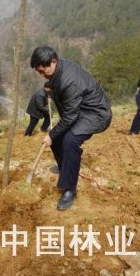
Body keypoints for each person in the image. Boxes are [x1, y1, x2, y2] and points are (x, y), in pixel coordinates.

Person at [30, 46, 112, 211]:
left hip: (95, 114)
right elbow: (68, 111)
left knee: (69, 140)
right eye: (39, 72)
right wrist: (54, 135)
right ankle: (65, 167)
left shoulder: (70, 81)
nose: (42, 74)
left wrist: (51, 134)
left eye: (43, 69)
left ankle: (69, 190)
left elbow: (69, 117)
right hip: (80, 111)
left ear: (53, 61)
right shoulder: (59, 69)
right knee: (57, 138)